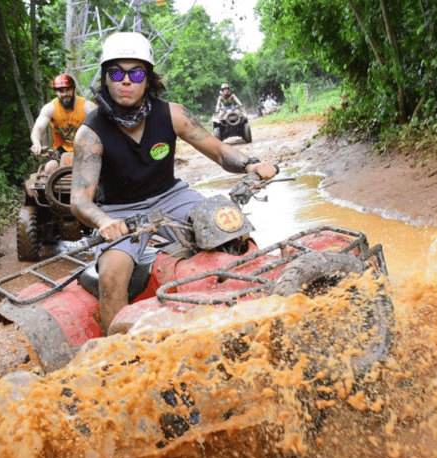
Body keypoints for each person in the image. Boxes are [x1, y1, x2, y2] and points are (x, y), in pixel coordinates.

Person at [70, 32, 278, 334]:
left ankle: (258, 304)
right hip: (119, 211)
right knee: (112, 275)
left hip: (172, 196)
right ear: (105, 78)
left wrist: (251, 164)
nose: (125, 80)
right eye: (117, 72)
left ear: (147, 79)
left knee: (229, 225)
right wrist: (104, 222)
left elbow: (220, 151)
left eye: (135, 72)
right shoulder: (90, 134)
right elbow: (79, 200)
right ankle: (118, 354)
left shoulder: (173, 114)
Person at [29, 73, 96, 174]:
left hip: (85, 149)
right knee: (49, 168)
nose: (65, 94)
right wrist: (36, 144)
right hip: (60, 150)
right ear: (56, 92)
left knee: (98, 170)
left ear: (73, 89)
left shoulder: (87, 107)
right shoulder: (50, 108)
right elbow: (37, 129)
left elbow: (103, 126)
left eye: (68, 89)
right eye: (61, 91)